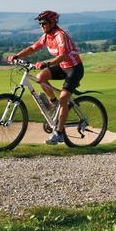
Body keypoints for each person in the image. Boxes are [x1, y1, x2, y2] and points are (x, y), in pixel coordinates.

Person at [7, 10, 84, 145]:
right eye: (40, 24)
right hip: (62, 66)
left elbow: (63, 55)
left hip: (74, 69)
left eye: (44, 23)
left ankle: (59, 134)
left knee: (64, 99)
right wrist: (17, 56)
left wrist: (46, 63)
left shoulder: (60, 35)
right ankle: (53, 102)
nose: (41, 26)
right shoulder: (46, 36)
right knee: (40, 77)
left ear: (53, 22)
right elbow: (33, 48)